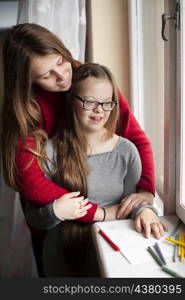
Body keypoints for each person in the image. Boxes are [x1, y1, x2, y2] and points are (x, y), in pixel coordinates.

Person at [1, 23, 155, 274]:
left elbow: (137, 137)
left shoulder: (90, 82)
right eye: (46, 75)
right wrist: (98, 213)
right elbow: (31, 182)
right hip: (55, 220)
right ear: (28, 81)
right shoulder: (26, 109)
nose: (63, 76)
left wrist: (146, 192)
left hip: (104, 222)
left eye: (61, 61)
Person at [25, 63, 168, 277]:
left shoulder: (126, 151)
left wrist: (146, 210)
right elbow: (34, 217)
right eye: (90, 102)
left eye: (106, 102)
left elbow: (131, 204)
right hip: (63, 260)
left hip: (114, 256)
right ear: (71, 101)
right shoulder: (50, 151)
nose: (99, 110)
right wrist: (55, 211)